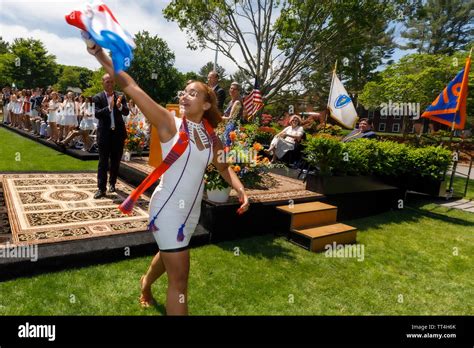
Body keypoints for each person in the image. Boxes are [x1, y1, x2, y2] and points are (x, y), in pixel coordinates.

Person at [85, 37, 250, 315]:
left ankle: (146, 282)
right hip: (166, 210)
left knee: (169, 253)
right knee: (180, 280)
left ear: (207, 105)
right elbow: (131, 86)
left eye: (193, 93)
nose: (184, 96)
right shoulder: (167, 123)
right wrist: (99, 53)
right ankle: (150, 286)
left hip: (191, 213)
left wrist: (241, 189)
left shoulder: (213, 139)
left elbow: (224, 167)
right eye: (183, 92)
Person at [93, 74, 130, 198]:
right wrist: (109, 107)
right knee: (103, 162)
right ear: (102, 83)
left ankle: (112, 183)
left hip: (118, 134)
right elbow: (97, 114)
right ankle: (101, 188)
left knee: (115, 161)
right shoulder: (97, 97)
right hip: (104, 134)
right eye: (107, 82)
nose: (110, 84)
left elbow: (126, 111)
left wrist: (119, 106)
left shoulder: (120, 96)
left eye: (112, 82)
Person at [221, 82, 243, 147]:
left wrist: (218, 117)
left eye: (234, 89)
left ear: (239, 91)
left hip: (231, 129)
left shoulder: (237, 102)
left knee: (227, 148)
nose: (232, 90)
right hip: (226, 127)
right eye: (231, 88)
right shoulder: (231, 101)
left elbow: (231, 118)